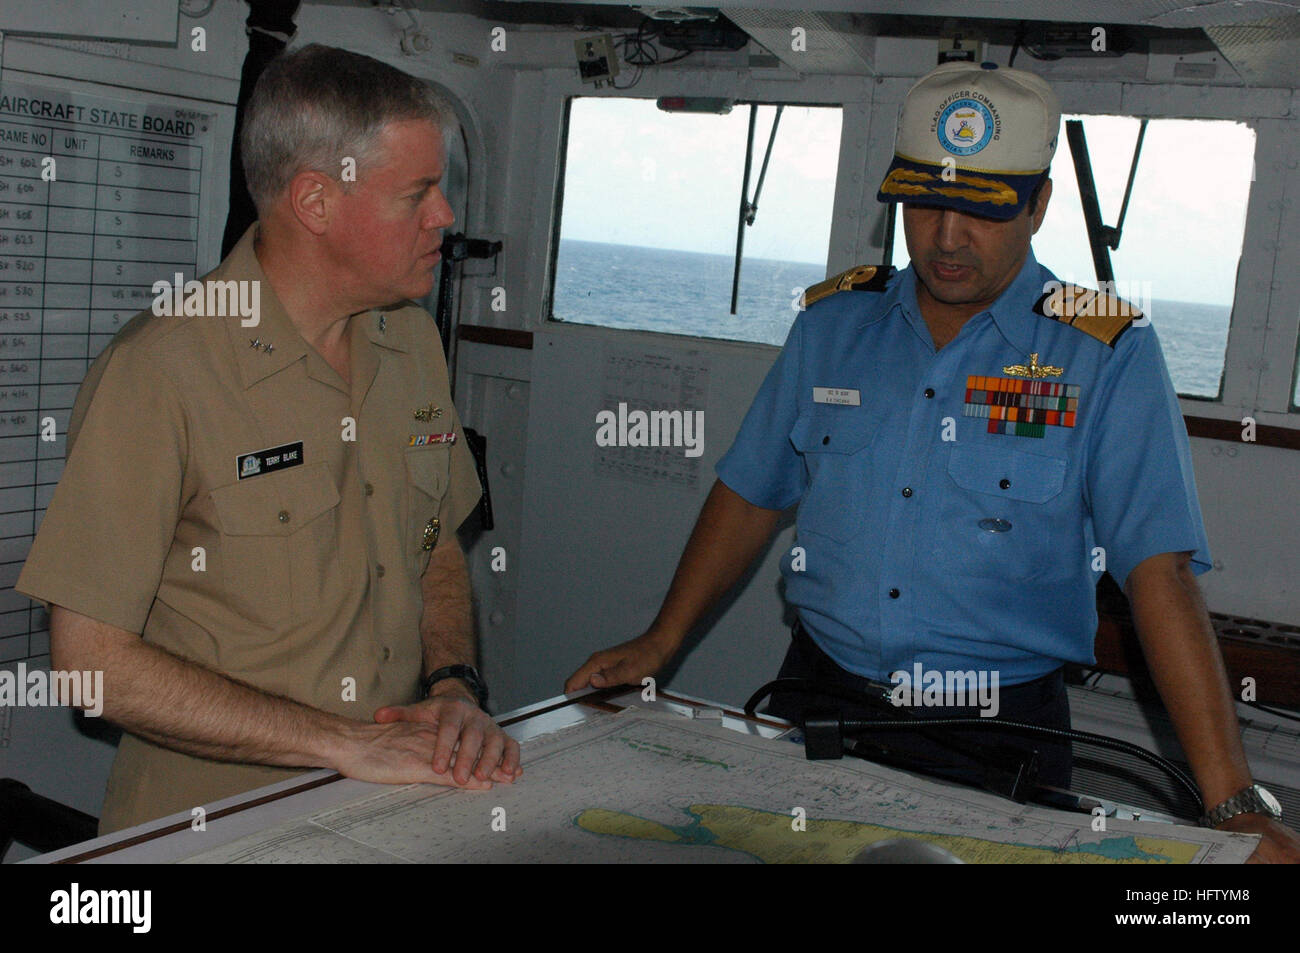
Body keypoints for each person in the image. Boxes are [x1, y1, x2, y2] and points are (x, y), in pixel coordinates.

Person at [567, 61, 1298, 862]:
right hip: (819, 703)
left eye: (980, 209)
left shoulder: (1105, 350)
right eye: (925, 202)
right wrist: (661, 639)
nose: (946, 237)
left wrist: (1230, 796)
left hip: (994, 734)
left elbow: (1160, 571)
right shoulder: (835, 323)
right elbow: (751, 492)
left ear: (1038, 203)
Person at [17, 44, 520, 835]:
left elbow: (436, 543)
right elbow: (92, 667)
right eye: (418, 192)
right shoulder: (161, 371)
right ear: (316, 202)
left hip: (390, 806)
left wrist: (453, 685)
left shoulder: (411, 342)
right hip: (209, 828)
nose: (445, 215)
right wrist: (344, 742)